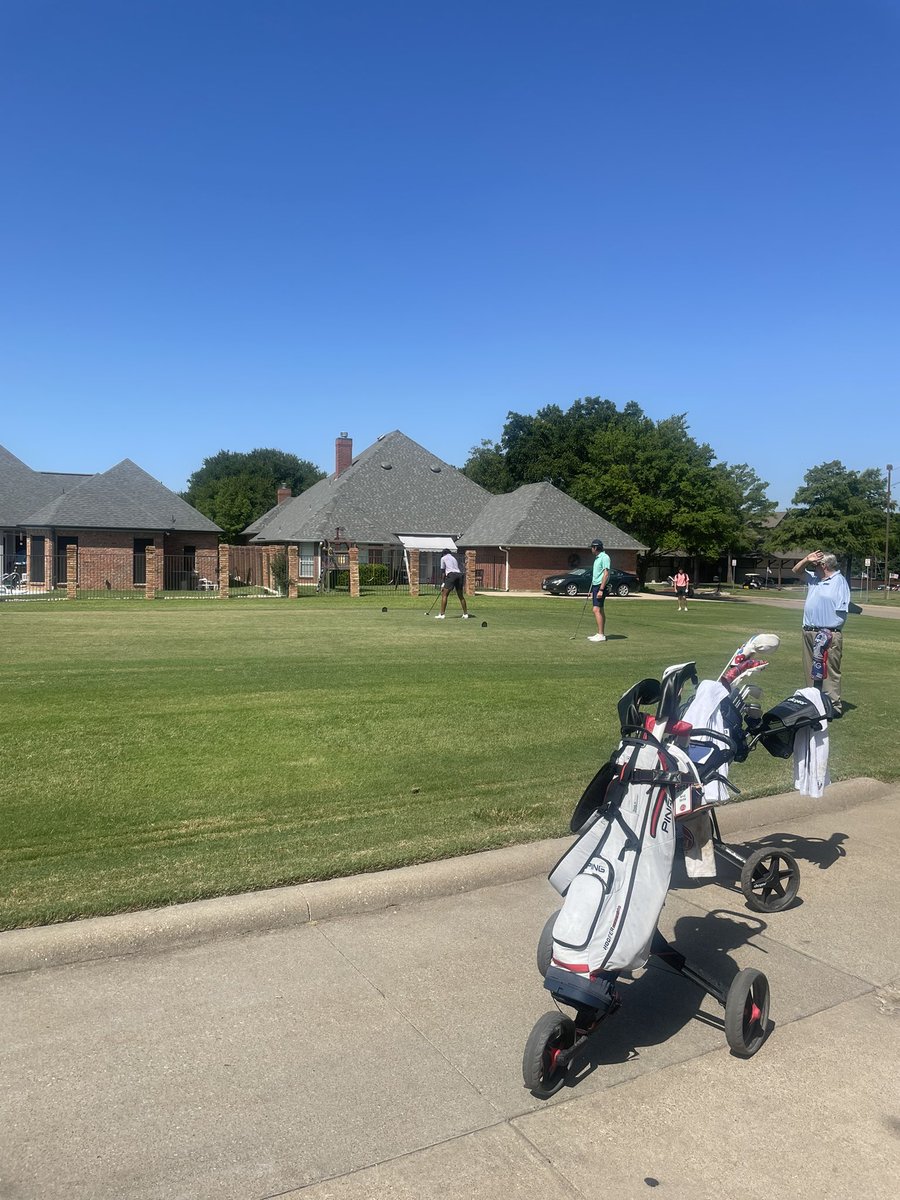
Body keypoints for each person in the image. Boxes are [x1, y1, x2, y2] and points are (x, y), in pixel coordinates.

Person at [792, 550, 851, 714]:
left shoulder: (839, 582)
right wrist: (806, 559)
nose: (812, 566)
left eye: (815, 564)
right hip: (809, 631)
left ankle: (833, 706)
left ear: (823, 565)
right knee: (810, 669)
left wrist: (829, 631)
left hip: (828, 633)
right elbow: (796, 571)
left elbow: (841, 611)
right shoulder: (814, 579)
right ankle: (814, 703)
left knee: (830, 669)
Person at [435, 547, 469, 619]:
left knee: (444, 594)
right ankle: (465, 614)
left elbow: (443, 572)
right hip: (459, 575)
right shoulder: (453, 558)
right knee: (460, 596)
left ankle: (442, 614)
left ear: (443, 554)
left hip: (451, 575)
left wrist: (443, 583)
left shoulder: (443, 558)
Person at [588, 538, 610, 643]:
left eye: (592, 547)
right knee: (600, 609)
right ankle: (600, 633)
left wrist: (601, 589)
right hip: (596, 586)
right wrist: (594, 589)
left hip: (601, 587)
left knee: (596, 609)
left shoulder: (605, 557)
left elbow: (606, 574)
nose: (591, 549)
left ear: (596, 547)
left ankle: (601, 635)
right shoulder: (597, 558)